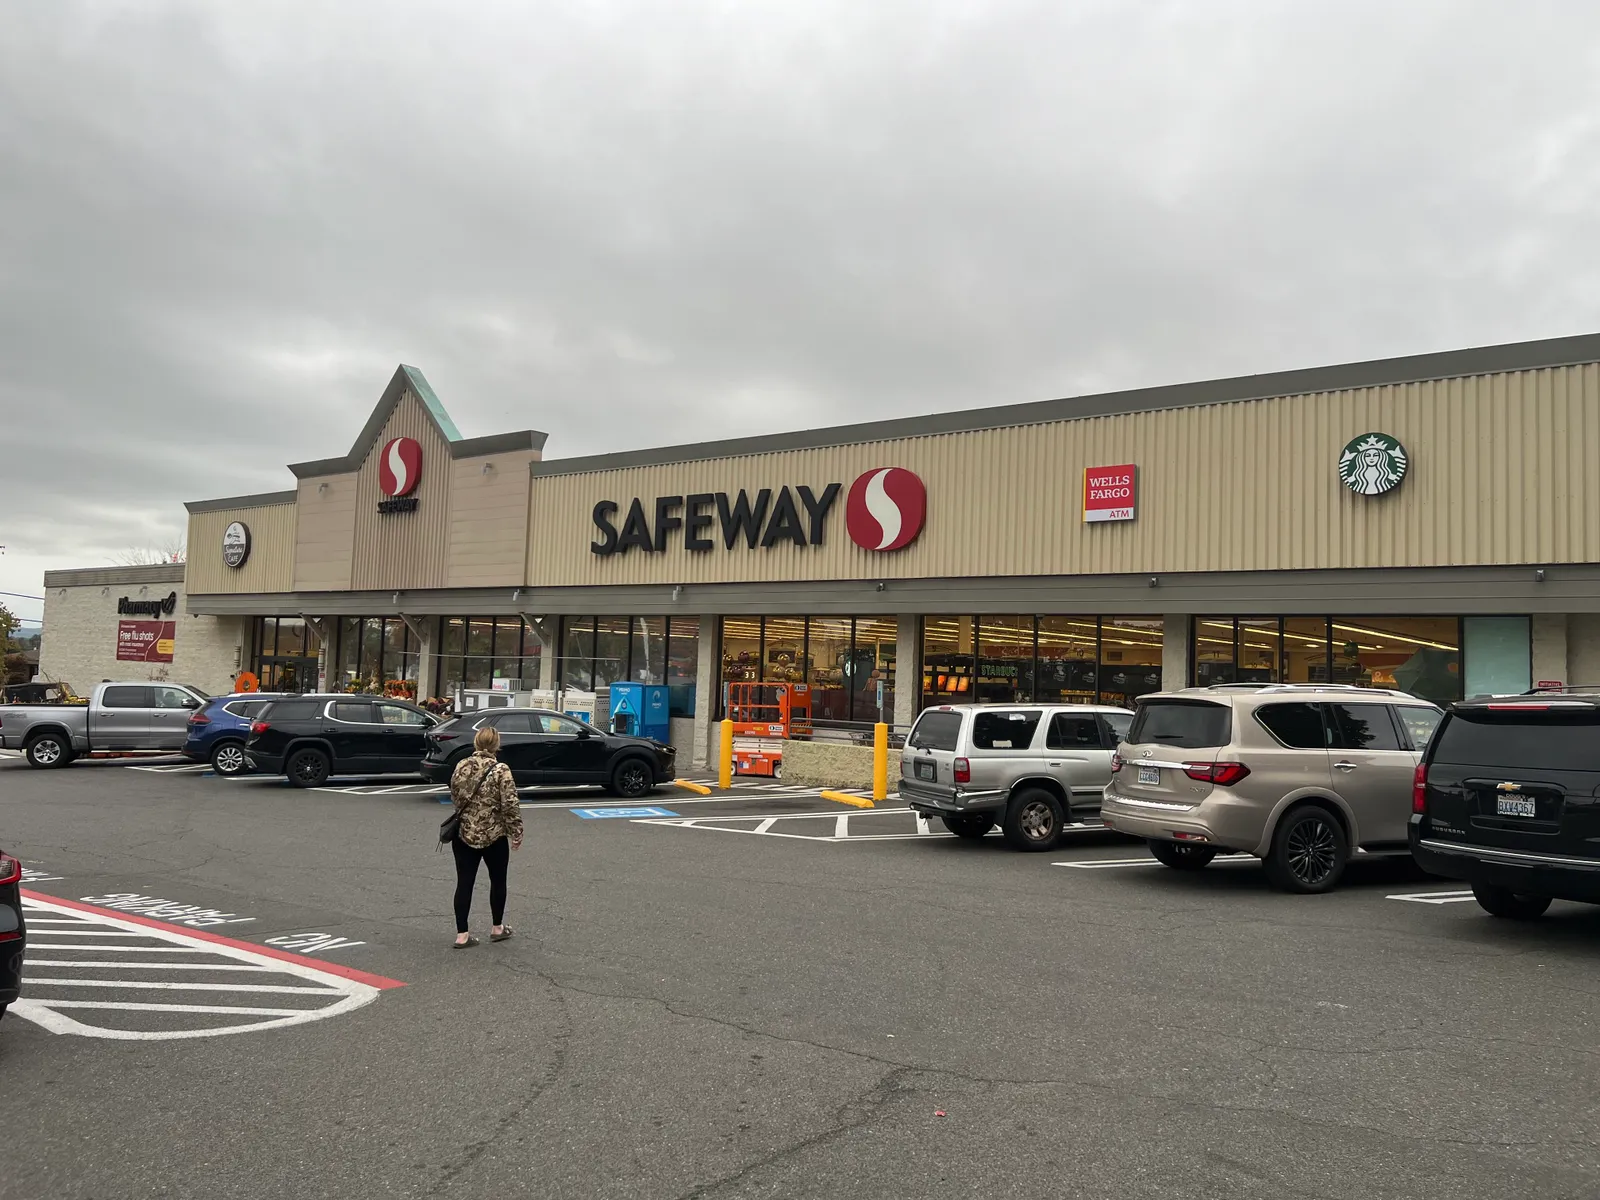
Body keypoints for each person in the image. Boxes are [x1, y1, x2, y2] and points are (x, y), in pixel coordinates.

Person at [448, 724, 523, 948]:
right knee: (498, 881)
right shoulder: (501, 769)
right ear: (496, 745)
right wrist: (516, 831)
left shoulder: (461, 765)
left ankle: (462, 934)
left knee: (464, 882)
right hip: (494, 834)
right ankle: (497, 927)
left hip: (464, 833)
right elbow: (510, 804)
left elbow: (454, 793)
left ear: (476, 743)